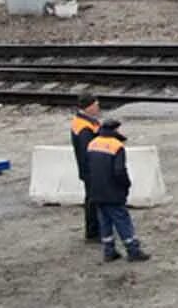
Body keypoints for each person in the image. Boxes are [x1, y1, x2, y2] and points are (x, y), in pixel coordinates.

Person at [85, 119, 150, 262]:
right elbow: (119, 171)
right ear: (115, 130)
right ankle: (133, 250)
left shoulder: (92, 144)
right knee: (122, 220)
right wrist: (126, 185)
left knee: (105, 221)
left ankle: (109, 251)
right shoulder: (116, 146)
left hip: (96, 191)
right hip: (112, 192)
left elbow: (88, 167)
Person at [70, 94, 102, 243]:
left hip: (89, 169)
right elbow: (88, 151)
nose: (98, 108)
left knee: (92, 199)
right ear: (89, 107)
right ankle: (93, 232)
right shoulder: (84, 128)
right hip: (91, 170)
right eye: (96, 105)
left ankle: (95, 230)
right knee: (93, 200)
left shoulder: (83, 122)